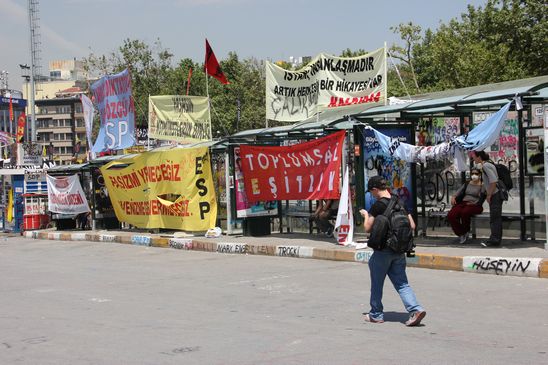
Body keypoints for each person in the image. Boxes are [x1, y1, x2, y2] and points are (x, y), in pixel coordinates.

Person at [359, 176, 426, 326]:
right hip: (399, 249)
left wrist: (365, 215)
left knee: (377, 283)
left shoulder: (378, 206)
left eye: (371, 191)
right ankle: (415, 309)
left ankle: (376, 314)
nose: (371, 194)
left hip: (383, 250)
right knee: (402, 283)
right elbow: (413, 226)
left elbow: (367, 228)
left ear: (375, 189)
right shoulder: (400, 202)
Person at [470, 150, 502, 247]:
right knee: (495, 218)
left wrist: (489, 195)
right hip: (495, 194)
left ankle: (494, 240)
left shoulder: (485, 166)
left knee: (494, 218)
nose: (473, 159)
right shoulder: (488, 164)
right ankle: (496, 238)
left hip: (495, 195)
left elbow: (493, 181)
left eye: (474, 157)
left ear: (479, 157)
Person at [447, 168, 486, 244]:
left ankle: (465, 231)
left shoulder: (482, 185)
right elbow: (459, 191)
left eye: (476, 174)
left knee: (465, 212)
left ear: (480, 175)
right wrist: (453, 197)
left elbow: (481, 198)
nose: (474, 175)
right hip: (464, 203)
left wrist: (475, 202)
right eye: (472, 174)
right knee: (451, 215)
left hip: (475, 205)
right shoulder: (467, 183)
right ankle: (462, 232)